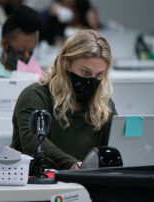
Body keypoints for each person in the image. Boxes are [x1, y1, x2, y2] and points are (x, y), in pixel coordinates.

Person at [11, 29, 117, 170]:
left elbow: (114, 147)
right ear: (65, 63)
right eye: (85, 72)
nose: (91, 81)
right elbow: (33, 142)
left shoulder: (103, 107)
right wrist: (74, 165)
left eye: (99, 75)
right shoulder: (35, 96)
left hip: (88, 185)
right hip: (40, 185)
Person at [0, 5, 42, 77]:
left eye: (31, 51)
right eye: (20, 51)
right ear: (4, 44)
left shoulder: (37, 78)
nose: (27, 56)